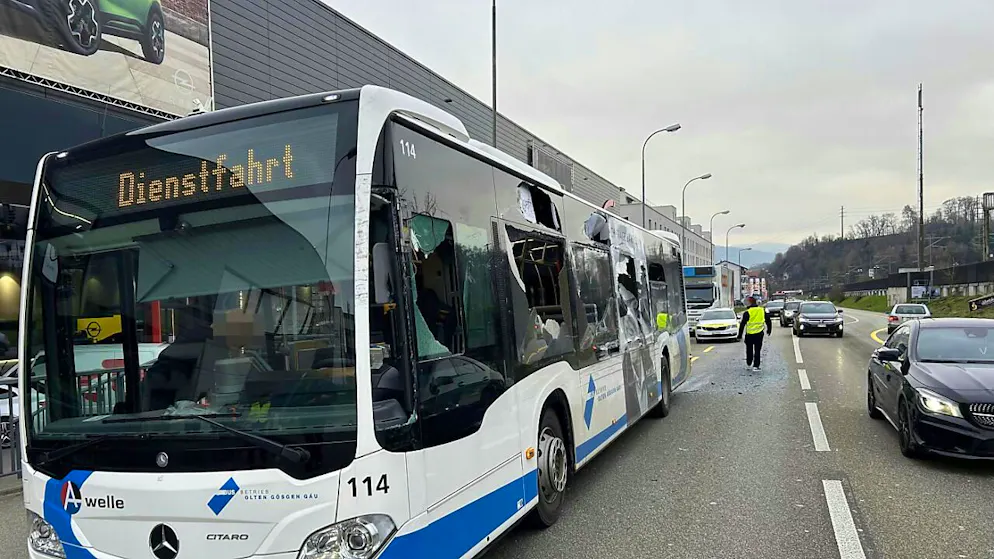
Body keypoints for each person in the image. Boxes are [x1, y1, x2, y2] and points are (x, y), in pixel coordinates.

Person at [737, 296, 772, 371]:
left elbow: (742, 324)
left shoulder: (747, 312)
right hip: (759, 334)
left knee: (749, 349)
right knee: (757, 350)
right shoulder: (762, 310)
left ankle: (749, 361)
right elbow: (768, 320)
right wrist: (769, 330)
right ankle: (756, 365)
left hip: (749, 334)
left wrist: (739, 335)